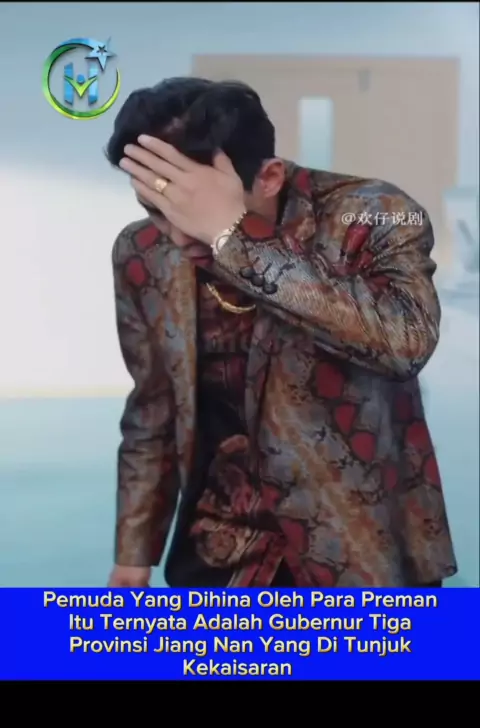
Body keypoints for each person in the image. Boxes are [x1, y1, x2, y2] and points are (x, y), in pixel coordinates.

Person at [105, 77, 457, 588]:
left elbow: (406, 343)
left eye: (193, 209)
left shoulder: (373, 212)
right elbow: (153, 409)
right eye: (158, 211)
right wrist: (133, 554)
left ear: (269, 177)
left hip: (361, 548)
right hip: (220, 550)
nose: (178, 236)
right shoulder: (141, 252)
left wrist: (233, 237)